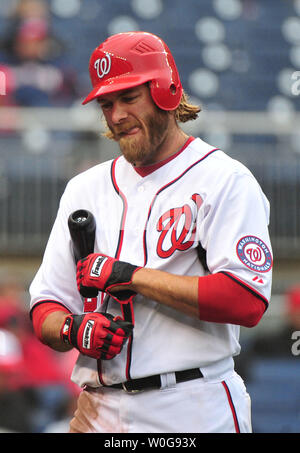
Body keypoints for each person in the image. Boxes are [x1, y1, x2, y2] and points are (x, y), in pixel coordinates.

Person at [29, 31, 273, 433]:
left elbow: (245, 301)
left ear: (166, 91)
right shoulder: (83, 189)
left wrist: (133, 278)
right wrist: (73, 329)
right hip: (97, 410)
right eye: (107, 104)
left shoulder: (224, 180)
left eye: (129, 98)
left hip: (193, 406)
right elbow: (46, 307)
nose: (117, 115)